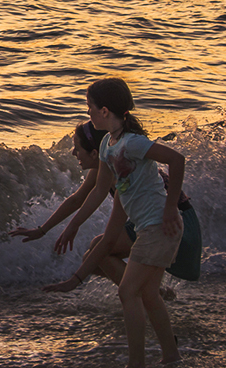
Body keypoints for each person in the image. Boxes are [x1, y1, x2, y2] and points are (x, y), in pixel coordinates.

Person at [42, 77, 187, 368]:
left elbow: (176, 159)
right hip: (148, 228)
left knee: (128, 291)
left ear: (105, 111)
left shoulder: (133, 143)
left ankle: (137, 366)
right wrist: (72, 226)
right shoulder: (109, 144)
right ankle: (171, 356)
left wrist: (172, 206)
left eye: (90, 108)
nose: (89, 113)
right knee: (148, 294)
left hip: (159, 225)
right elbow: (97, 192)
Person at [10, 119, 134, 281]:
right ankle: (151, 292)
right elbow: (77, 199)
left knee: (98, 249)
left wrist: (73, 226)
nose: (73, 153)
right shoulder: (101, 169)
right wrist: (41, 230)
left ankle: (148, 293)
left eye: (77, 148)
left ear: (95, 153)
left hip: (162, 221)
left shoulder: (117, 171)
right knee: (91, 259)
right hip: (147, 222)